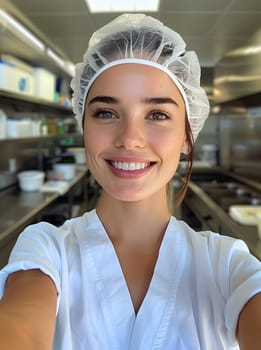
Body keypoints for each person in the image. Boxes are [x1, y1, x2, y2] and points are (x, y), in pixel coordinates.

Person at [0, 13, 260, 350]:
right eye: (106, 113)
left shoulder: (227, 264)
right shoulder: (46, 250)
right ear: (84, 127)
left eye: (157, 114)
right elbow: (19, 324)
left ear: (186, 136)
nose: (130, 138)